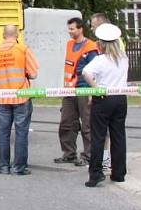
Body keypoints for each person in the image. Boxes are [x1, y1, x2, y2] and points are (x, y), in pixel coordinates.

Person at [0, 24, 39, 175]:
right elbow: (34, 74)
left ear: (3, 35)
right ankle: (19, 167)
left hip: (2, 99)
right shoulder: (23, 50)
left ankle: (3, 167)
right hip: (21, 97)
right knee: (21, 132)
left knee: (3, 133)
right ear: (17, 35)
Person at [82, 23, 129, 187]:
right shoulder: (123, 58)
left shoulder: (101, 60)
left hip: (103, 99)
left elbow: (86, 72)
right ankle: (119, 173)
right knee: (118, 136)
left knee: (98, 137)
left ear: (102, 43)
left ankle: (95, 174)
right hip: (120, 99)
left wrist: (95, 88)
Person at [55, 17, 99, 166]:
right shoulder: (70, 45)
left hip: (84, 89)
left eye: (72, 28)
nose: (70, 31)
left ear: (80, 29)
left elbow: (94, 71)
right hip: (69, 90)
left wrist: (92, 92)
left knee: (87, 125)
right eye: (69, 28)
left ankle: (88, 156)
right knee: (66, 123)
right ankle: (69, 154)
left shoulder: (91, 47)